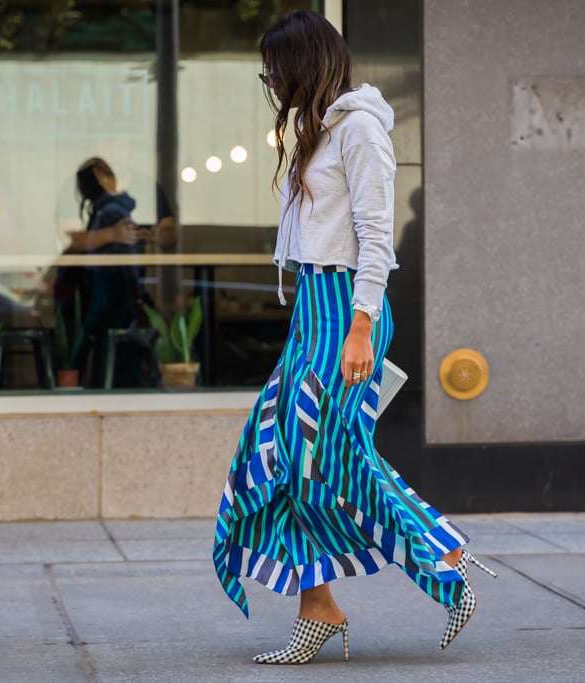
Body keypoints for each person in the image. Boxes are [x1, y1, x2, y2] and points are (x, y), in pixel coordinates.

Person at [211, 10, 495, 665]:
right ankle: (318, 606)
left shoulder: (360, 129)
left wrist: (361, 325)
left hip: (347, 308)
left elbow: (376, 236)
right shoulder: (320, 129)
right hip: (315, 306)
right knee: (287, 460)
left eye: (275, 68)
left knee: (334, 458)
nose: (271, 80)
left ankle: (444, 554)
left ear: (303, 63)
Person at [55, 157, 167, 388]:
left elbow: (84, 246)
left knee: (100, 341)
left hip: (109, 287)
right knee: (114, 344)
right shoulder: (115, 210)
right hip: (118, 286)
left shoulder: (109, 212)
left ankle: (101, 387)